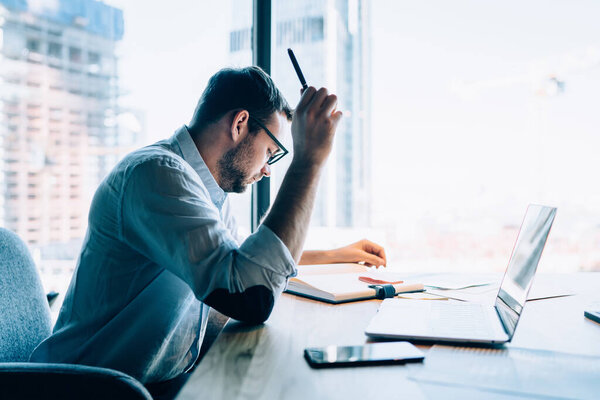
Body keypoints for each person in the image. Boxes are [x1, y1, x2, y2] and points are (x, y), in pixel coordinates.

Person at [30, 66, 386, 397]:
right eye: (271, 152)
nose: (267, 170)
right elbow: (249, 295)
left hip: (145, 384)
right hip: (89, 389)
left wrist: (335, 255)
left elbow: (242, 259)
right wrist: (308, 160)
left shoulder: (205, 189)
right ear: (240, 124)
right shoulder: (156, 175)